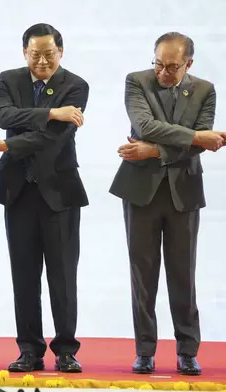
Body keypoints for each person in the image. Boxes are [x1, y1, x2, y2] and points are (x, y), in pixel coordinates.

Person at [109, 32, 226, 376]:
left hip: (184, 192)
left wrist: (154, 149)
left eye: (172, 67)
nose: (163, 71)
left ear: (188, 64)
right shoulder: (137, 81)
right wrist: (193, 137)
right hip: (140, 191)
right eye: (158, 63)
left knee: (183, 275)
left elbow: (203, 144)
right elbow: (145, 124)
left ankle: (187, 351)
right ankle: (144, 351)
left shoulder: (205, 90)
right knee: (142, 277)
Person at [0, 23, 89, 373]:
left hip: (59, 192)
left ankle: (66, 350)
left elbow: (53, 138)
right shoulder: (10, 79)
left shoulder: (76, 85)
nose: (42, 60)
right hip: (18, 190)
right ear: (24, 53)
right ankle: (29, 349)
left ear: (61, 52)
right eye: (35, 54)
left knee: (62, 276)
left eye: (49, 54)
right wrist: (51, 112)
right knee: (23, 276)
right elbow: (3, 115)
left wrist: (7, 143)